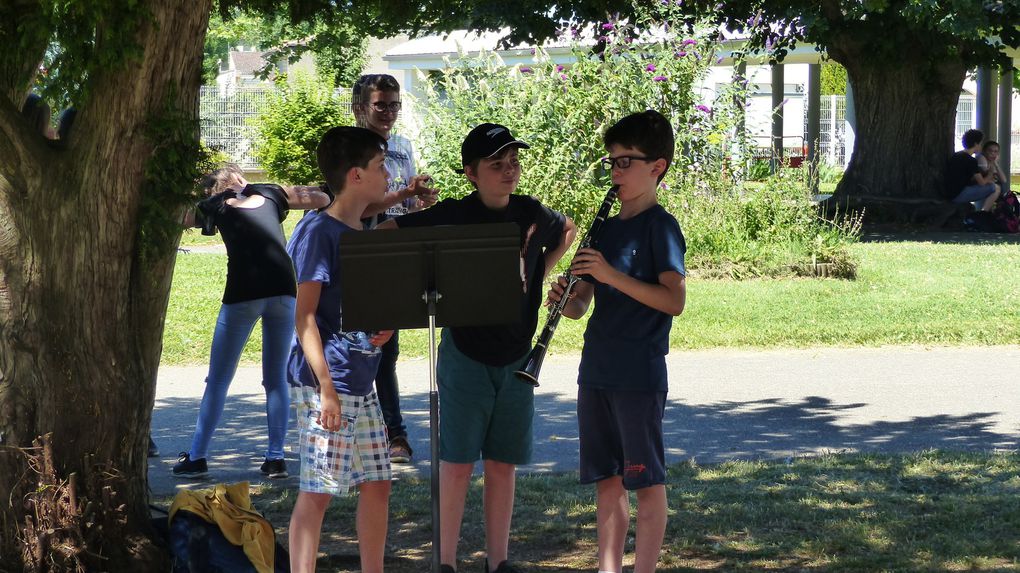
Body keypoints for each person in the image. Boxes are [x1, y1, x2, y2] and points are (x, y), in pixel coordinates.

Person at [378, 123, 577, 573]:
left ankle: (499, 562)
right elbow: (388, 231)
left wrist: (536, 275)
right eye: (496, 164)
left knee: (503, 465)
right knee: (458, 464)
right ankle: (445, 563)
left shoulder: (529, 210)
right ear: (471, 172)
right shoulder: (455, 213)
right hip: (465, 355)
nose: (509, 171)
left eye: (514, 162)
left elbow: (567, 228)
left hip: (518, 357)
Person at [548, 110, 686, 573]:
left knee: (645, 483)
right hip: (598, 368)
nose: (616, 171)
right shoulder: (604, 228)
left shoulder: (660, 228)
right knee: (607, 483)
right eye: (612, 161)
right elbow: (581, 303)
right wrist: (563, 299)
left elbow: (673, 300)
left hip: (638, 372)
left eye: (627, 161)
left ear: (657, 167)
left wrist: (610, 273)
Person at [172, 165, 330, 479]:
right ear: (242, 178)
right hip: (284, 289)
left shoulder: (213, 206)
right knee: (275, 380)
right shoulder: (271, 191)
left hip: (243, 293)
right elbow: (320, 197)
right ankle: (275, 459)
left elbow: (181, 218)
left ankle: (198, 456)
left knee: (218, 379)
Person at [286, 126, 395, 573]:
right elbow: (305, 317)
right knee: (318, 491)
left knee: (378, 483)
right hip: (324, 382)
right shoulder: (319, 233)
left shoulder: (357, 226)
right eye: (380, 166)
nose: (387, 174)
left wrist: (377, 330)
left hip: (361, 380)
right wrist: (326, 390)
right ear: (355, 175)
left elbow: (350, 305)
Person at [352, 73, 437, 464]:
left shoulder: (402, 145)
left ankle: (390, 433)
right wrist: (404, 193)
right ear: (359, 108)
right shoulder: (350, 149)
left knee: (388, 348)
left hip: (399, 254)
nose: (389, 112)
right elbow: (358, 208)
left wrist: (420, 202)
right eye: (381, 105)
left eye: (395, 104)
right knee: (362, 347)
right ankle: (381, 432)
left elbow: (406, 207)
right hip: (362, 254)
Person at [945, 129, 1000, 211]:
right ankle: (984, 212)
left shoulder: (957, 155)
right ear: (975, 144)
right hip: (958, 195)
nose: (981, 146)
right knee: (995, 187)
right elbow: (982, 182)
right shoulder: (971, 160)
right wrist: (990, 172)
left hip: (949, 192)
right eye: (980, 143)